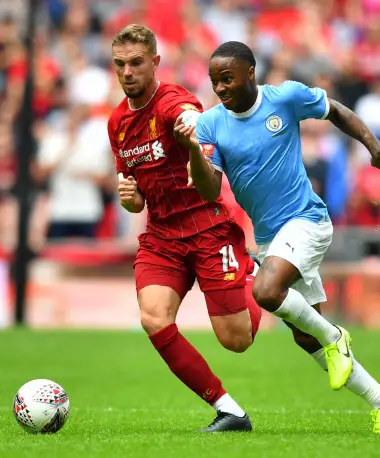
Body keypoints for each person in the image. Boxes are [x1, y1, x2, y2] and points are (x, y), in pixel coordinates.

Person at [180, 41, 380, 434]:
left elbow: (335, 110)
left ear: (250, 73)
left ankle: (336, 337)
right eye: (215, 81)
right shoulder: (210, 123)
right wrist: (193, 152)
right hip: (271, 237)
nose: (221, 88)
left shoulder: (285, 98)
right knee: (305, 335)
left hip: (307, 219)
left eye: (228, 78)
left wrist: (372, 146)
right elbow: (210, 190)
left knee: (266, 292)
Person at [106, 24, 261, 433]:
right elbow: (135, 195)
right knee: (154, 317)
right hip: (161, 237)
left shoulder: (172, 100)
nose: (127, 72)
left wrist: (191, 124)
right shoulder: (117, 123)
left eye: (136, 63)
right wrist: (129, 197)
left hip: (207, 227)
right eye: (120, 64)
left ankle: (255, 275)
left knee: (237, 339)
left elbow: (188, 112)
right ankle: (229, 410)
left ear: (155, 62)